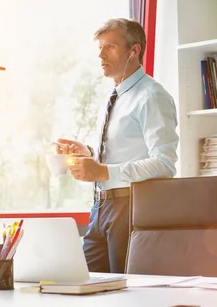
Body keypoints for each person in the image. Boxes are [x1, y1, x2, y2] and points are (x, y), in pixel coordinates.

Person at [56, 18, 179, 274]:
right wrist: (88, 154)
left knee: (123, 294)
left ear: (134, 51)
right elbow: (123, 151)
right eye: (99, 48)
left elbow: (165, 163)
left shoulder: (152, 96)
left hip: (130, 209)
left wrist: (103, 172)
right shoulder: (114, 96)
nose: (100, 54)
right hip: (100, 209)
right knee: (83, 285)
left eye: (109, 47)